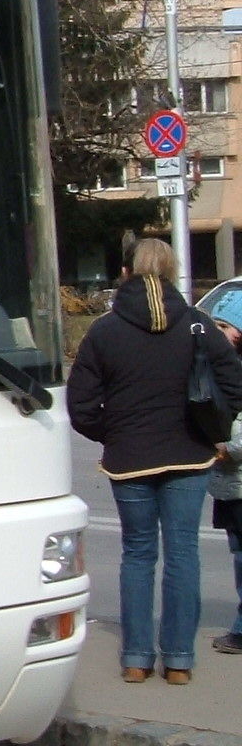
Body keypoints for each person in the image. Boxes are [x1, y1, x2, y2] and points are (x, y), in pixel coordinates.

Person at [68, 238, 242, 684]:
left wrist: (114, 433)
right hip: (189, 456)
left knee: (137, 554)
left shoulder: (105, 331)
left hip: (129, 459)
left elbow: (81, 406)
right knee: (183, 554)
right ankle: (179, 661)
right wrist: (210, 430)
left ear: (126, 273)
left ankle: (136, 659)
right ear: (171, 272)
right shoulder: (198, 325)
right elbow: (234, 386)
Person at [209, 318, 242, 656]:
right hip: (231, 487)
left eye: (223, 326)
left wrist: (220, 448)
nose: (217, 334)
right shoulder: (222, 367)